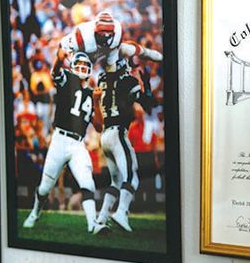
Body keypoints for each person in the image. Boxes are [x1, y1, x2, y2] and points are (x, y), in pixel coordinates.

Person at [23, 51, 99, 232]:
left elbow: (99, 127)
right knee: (45, 187)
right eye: (78, 65)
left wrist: (96, 103)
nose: (81, 69)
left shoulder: (92, 93)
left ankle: (93, 225)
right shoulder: (68, 81)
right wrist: (59, 57)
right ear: (72, 67)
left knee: (88, 183)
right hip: (60, 140)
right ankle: (34, 213)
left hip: (78, 144)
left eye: (85, 66)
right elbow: (55, 71)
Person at [94, 60, 155, 233]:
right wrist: (146, 85)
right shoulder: (127, 81)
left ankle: (101, 218)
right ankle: (122, 213)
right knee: (132, 177)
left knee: (116, 182)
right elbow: (147, 104)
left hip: (105, 136)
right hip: (118, 133)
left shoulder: (102, 79)